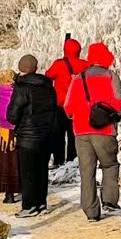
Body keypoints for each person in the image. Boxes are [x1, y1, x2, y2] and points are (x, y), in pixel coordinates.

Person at [64, 41, 121, 221]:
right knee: (110, 165)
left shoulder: (77, 78)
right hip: (104, 131)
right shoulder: (110, 76)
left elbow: (68, 107)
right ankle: (110, 201)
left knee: (86, 171)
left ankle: (91, 212)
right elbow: (118, 102)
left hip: (81, 132)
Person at [6, 54, 58, 218]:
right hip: (47, 134)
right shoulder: (48, 86)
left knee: (28, 172)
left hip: (28, 136)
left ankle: (29, 205)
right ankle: (41, 203)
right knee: (42, 170)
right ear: (36, 68)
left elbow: (12, 115)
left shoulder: (21, 88)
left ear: (21, 68)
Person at [45, 36, 88, 165]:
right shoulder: (85, 65)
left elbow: (48, 75)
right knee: (74, 135)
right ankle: (72, 160)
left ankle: (59, 161)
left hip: (60, 106)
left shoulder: (59, 64)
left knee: (58, 136)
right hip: (79, 107)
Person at [0, 69, 20, 204]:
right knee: (16, 161)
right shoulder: (16, 92)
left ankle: (8, 193)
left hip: (3, 130)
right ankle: (20, 187)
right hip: (16, 130)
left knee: (6, 162)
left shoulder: (1, 91)